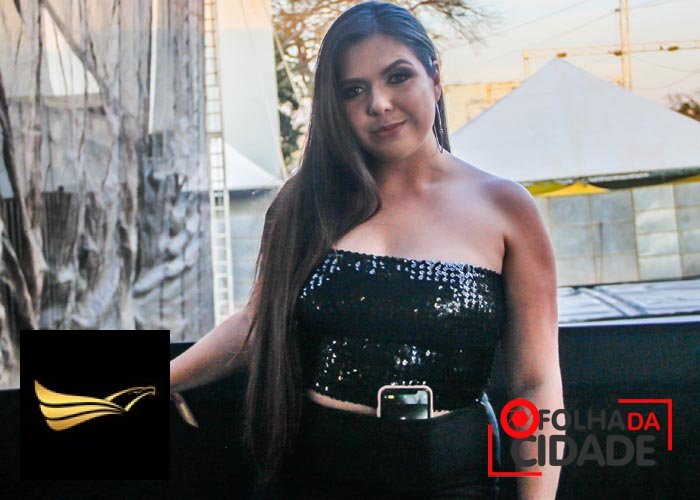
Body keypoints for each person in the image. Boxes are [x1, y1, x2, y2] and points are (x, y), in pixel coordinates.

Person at [170, 2, 564, 498]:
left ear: (434, 78)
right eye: (353, 90)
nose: (378, 103)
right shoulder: (305, 202)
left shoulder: (507, 208)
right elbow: (256, 324)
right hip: (313, 474)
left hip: (452, 476)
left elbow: (536, 384)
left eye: (398, 77)